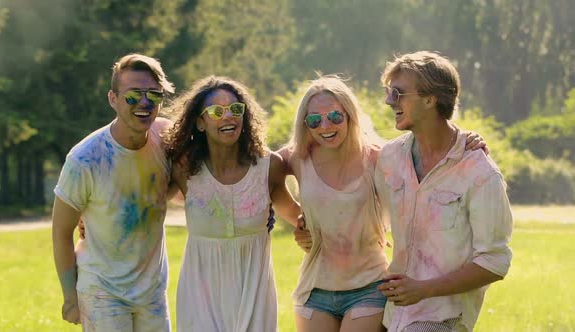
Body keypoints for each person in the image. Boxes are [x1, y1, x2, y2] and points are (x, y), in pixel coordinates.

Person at [283, 75, 488, 332]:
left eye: (335, 116)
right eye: (314, 120)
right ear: (306, 124)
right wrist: (299, 219)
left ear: (349, 115)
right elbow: (261, 168)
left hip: (369, 287)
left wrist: (464, 139)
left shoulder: (380, 156)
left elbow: (428, 151)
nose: (325, 126)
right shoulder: (297, 157)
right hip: (314, 289)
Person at [374, 51, 513, 332]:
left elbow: (495, 261)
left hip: (443, 318)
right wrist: (307, 225)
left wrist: (424, 289)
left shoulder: (480, 172)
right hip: (391, 313)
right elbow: (364, 209)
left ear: (430, 98)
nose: (390, 101)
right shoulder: (389, 157)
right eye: (390, 93)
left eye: (398, 93)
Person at [163, 76, 302, 331]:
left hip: (255, 296)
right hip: (199, 299)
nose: (229, 117)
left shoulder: (268, 167)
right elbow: (146, 203)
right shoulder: (183, 170)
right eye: (217, 111)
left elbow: (299, 218)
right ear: (200, 123)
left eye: (236, 109)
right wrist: (88, 217)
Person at [52, 53, 177, 331]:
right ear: (113, 99)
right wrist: (69, 296)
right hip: (102, 293)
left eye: (153, 95)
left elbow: (170, 186)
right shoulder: (85, 159)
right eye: (133, 96)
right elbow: (61, 232)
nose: (144, 103)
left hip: (152, 294)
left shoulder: (165, 140)